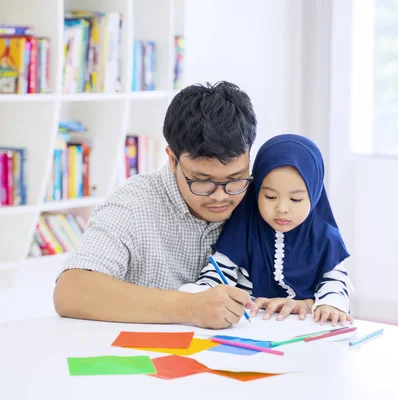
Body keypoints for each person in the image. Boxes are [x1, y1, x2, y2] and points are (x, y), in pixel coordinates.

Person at [54, 81, 264, 329]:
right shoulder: (133, 204)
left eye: (234, 179)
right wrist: (190, 306)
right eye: (202, 181)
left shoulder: (264, 201)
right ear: (172, 159)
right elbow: (71, 291)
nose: (220, 196)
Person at [180, 134, 353, 326]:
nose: (282, 209)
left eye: (296, 199)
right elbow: (218, 273)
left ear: (314, 194)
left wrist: (331, 305)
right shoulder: (243, 228)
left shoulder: (324, 236)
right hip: (251, 326)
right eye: (270, 197)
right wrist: (196, 296)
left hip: (304, 328)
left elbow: (336, 280)